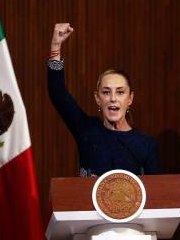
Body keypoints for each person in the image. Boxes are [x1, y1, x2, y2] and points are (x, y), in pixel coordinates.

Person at [47, 23, 159, 176]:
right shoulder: (88, 131)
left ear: (130, 98)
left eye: (120, 92)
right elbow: (58, 93)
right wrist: (55, 47)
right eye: (106, 92)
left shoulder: (146, 145)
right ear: (97, 99)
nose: (113, 98)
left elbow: (156, 194)